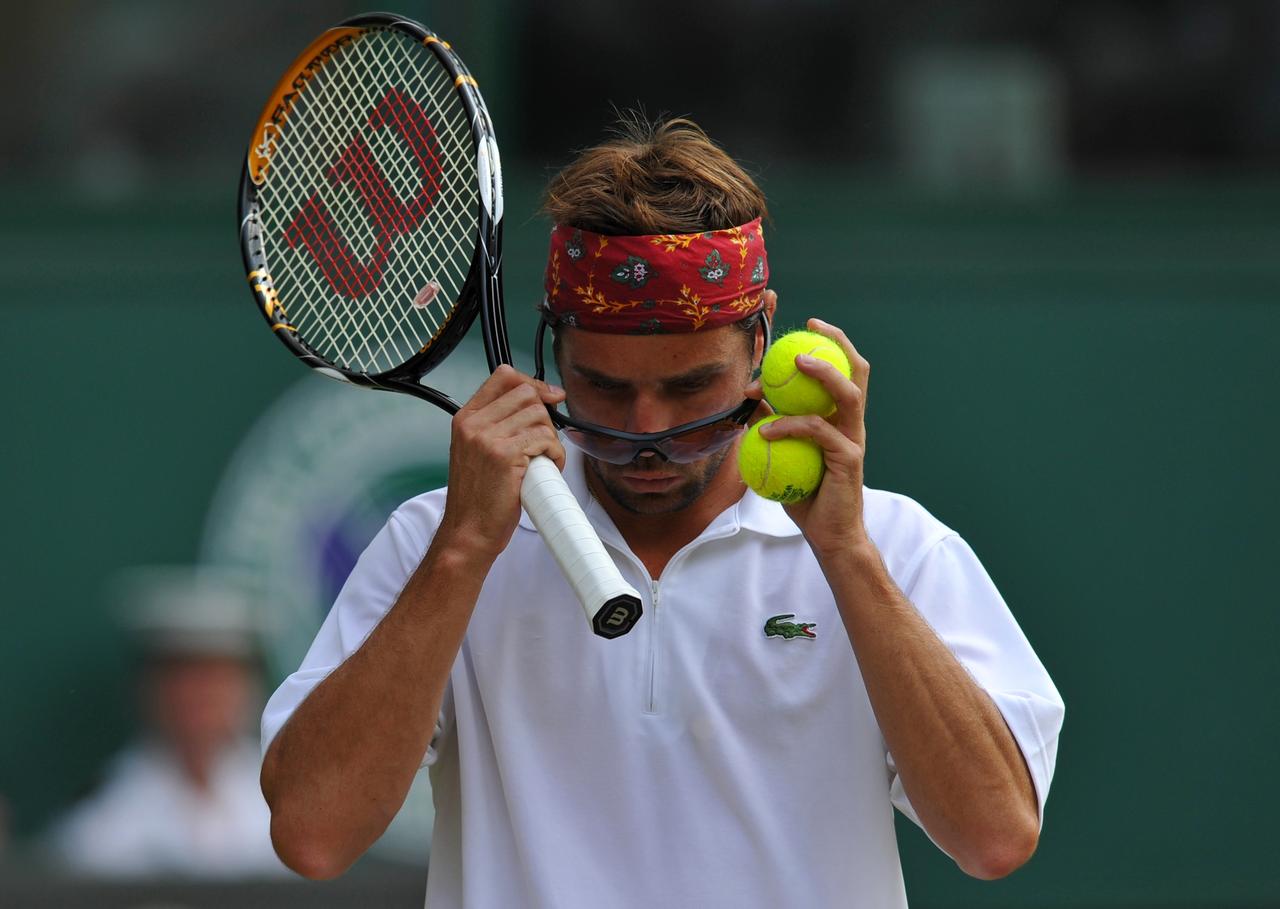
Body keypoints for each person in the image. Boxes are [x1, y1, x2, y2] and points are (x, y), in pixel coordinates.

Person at [260, 116, 1064, 907]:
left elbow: (995, 836)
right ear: (557, 350)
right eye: (606, 384)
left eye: (689, 386)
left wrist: (846, 553)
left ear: (762, 342)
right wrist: (466, 547)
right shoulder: (436, 542)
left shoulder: (896, 547)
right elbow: (314, 834)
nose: (646, 431)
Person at [46, 567, 287, 878]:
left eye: (217, 678)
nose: (201, 696)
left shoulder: (286, 795)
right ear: (148, 689)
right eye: (182, 678)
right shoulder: (103, 821)